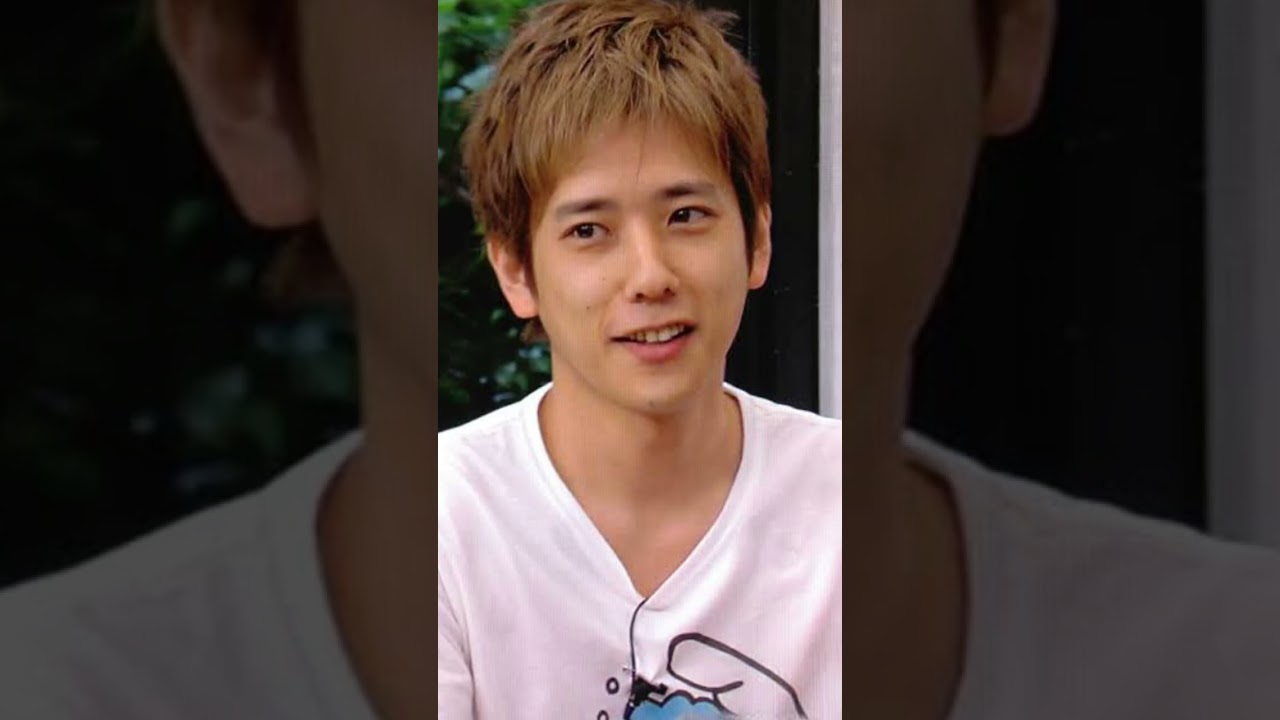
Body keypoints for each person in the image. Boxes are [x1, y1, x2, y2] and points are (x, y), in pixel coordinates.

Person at [440, 1, 1280, 719]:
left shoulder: (1213, 650)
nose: (650, 276)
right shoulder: (438, 529)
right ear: (517, 271)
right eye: (590, 231)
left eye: (687, 216)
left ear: (757, 241)